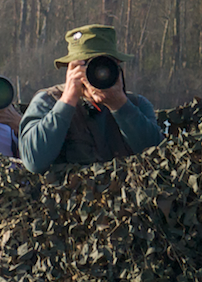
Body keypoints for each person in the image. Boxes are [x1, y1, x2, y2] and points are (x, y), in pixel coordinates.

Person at [18, 24, 162, 172]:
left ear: (117, 66)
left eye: (105, 65)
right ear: (71, 69)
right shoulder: (47, 101)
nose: (98, 73)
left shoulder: (137, 105)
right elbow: (33, 162)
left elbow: (159, 158)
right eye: (88, 66)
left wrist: (120, 105)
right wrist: (67, 101)